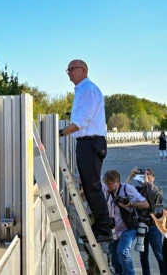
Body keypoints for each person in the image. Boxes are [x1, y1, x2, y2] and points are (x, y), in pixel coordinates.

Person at [59, 59, 112, 242]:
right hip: (87, 143)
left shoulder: (88, 90)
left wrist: (59, 133)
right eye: (68, 70)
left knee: (93, 186)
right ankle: (100, 224)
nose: (69, 73)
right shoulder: (82, 90)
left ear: (83, 70)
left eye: (72, 69)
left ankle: (104, 227)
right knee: (89, 186)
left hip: (91, 142)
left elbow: (82, 120)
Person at [102, 170, 149, 275]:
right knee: (114, 257)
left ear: (117, 182)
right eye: (106, 184)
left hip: (129, 227)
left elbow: (145, 204)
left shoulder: (128, 189)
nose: (108, 186)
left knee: (122, 251)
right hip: (114, 229)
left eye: (110, 184)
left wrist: (130, 205)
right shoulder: (106, 188)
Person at [126, 167, 166, 275]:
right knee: (143, 255)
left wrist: (147, 183)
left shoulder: (157, 190)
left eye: (148, 175)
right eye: (144, 175)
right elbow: (124, 190)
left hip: (153, 227)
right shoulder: (139, 189)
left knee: (159, 254)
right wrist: (130, 176)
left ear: (153, 178)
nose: (145, 177)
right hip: (141, 225)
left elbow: (153, 195)